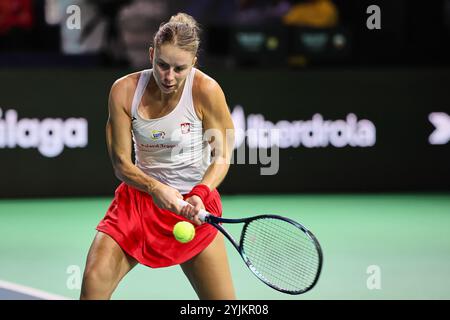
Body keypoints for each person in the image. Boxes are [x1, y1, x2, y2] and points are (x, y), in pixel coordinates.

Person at [80, 12, 236, 300]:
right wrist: (154, 187)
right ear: (151, 54)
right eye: (162, 65)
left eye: (179, 69)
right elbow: (121, 163)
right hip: (138, 202)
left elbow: (223, 153)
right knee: (93, 284)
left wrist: (200, 192)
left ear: (194, 64)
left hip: (194, 205)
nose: (169, 76)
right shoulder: (124, 91)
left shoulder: (206, 90)